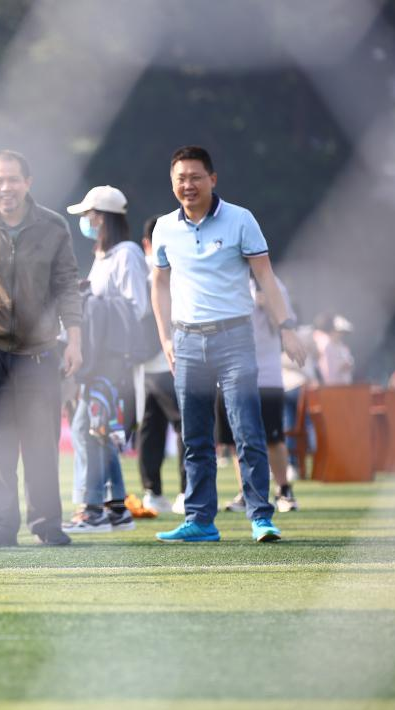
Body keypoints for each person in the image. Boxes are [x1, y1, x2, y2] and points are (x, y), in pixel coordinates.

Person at [150, 145, 307, 543]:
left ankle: (260, 517)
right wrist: (165, 337)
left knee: (247, 429)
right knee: (195, 436)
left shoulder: (240, 219)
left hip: (235, 336)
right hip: (187, 340)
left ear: (212, 179)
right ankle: (200, 520)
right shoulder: (164, 228)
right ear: (172, 182)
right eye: (181, 178)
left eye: (195, 177)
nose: (188, 185)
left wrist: (286, 327)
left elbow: (265, 277)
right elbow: (160, 284)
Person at [0, 149, 82, 547]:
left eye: (13, 179)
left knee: (42, 440)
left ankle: (46, 524)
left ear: (28, 182)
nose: (5, 187)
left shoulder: (54, 226)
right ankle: (1, 527)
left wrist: (75, 340)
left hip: (40, 350)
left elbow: (68, 285)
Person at [63, 185, 150, 533]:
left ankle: (92, 508)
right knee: (99, 428)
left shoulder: (127, 253)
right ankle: (116, 508)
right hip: (98, 355)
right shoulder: (103, 255)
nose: (85, 221)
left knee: (87, 426)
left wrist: (93, 303)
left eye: (89, 214)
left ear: (101, 217)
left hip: (113, 356)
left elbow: (137, 306)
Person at [216, 275, 299, 513]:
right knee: (236, 439)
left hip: (267, 375)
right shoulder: (226, 280)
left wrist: (267, 304)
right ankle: (246, 491)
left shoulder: (273, 284)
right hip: (231, 374)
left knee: (273, 438)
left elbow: (286, 328)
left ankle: (283, 489)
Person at [136, 214, 187, 516]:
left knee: (150, 428)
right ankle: (186, 491)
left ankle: (152, 491)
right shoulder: (168, 269)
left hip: (144, 364)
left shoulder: (137, 268)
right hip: (169, 359)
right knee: (184, 426)